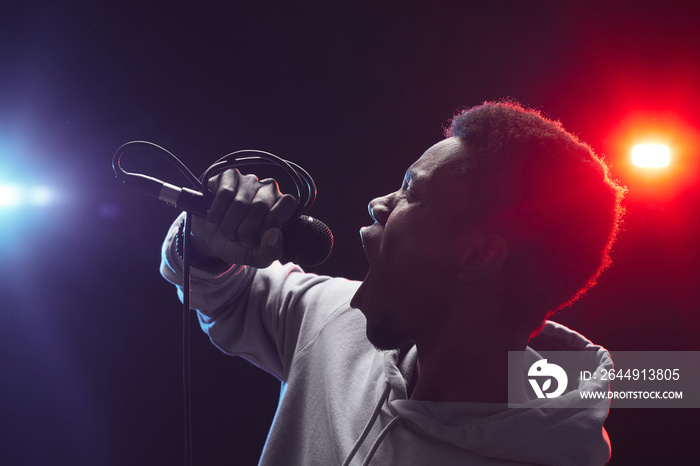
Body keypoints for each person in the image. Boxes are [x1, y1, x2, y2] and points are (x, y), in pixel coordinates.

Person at [161, 101, 625, 465]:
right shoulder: (334, 317)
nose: (378, 203)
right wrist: (206, 241)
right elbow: (222, 293)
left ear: (479, 254)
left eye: (411, 191)